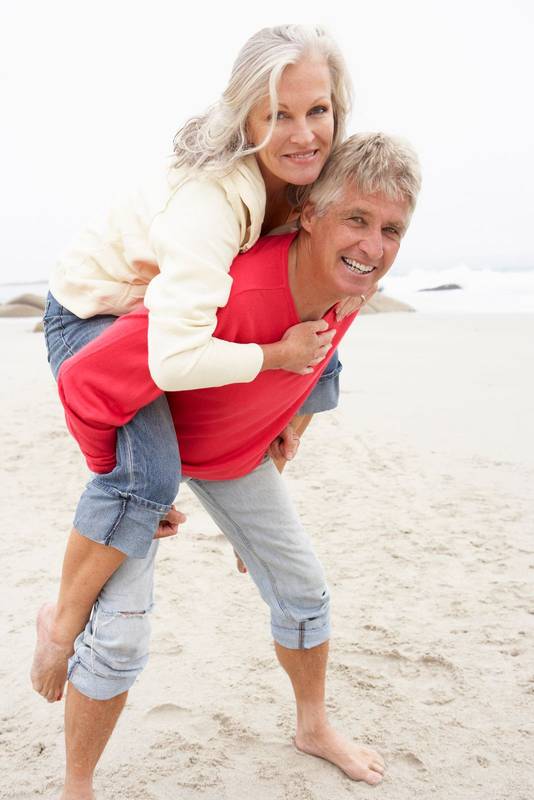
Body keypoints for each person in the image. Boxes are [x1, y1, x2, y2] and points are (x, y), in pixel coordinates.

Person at [47, 133, 421, 798]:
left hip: (232, 459)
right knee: (121, 638)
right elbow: (87, 380)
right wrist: (130, 483)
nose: (373, 247)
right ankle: (78, 782)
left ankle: (313, 727)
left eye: (391, 229)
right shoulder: (232, 289)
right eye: (357, 220)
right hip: (147, 443)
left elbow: (321, 367)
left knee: (304, 592)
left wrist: (287, 432)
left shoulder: (351, 287)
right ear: (309, 214)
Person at [31, 24, 369, 704]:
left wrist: (286, 413)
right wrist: (275, 355)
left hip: (176, 313)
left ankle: (253, 509)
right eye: (278, 115)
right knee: (148, 477)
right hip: (100, 313)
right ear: (247, 118)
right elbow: (175, 359)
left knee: (323, 354)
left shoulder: (313, 180)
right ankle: (60, 624)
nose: (305, 134)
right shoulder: (209, 203)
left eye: (318, 110)